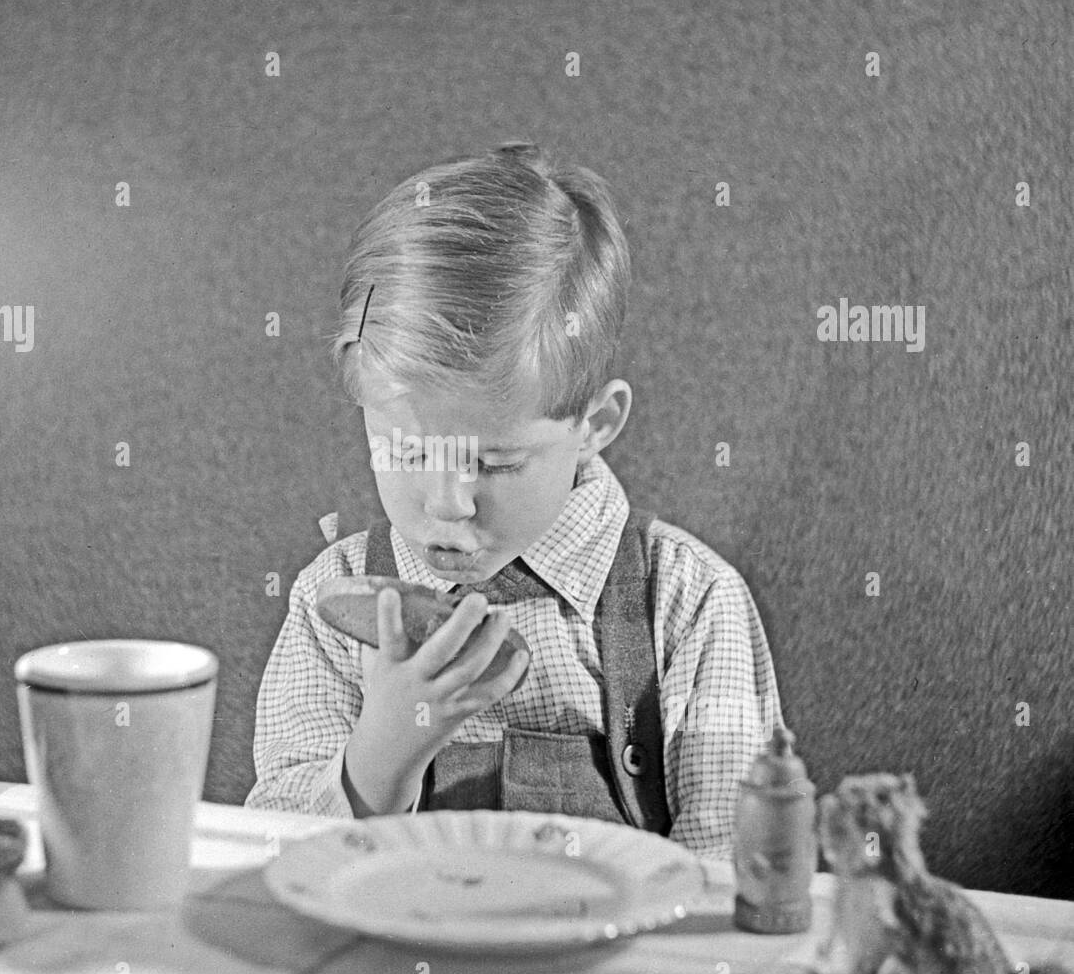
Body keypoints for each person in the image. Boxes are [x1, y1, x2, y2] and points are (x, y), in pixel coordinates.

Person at [246, 142, 784, 858]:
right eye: (407, 451)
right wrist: (381, 754)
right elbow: (282, 860)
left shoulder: (688, 604)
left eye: (494, 461)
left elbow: (734, 874)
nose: (446, 504)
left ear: (594, 426)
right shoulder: (334, 607)